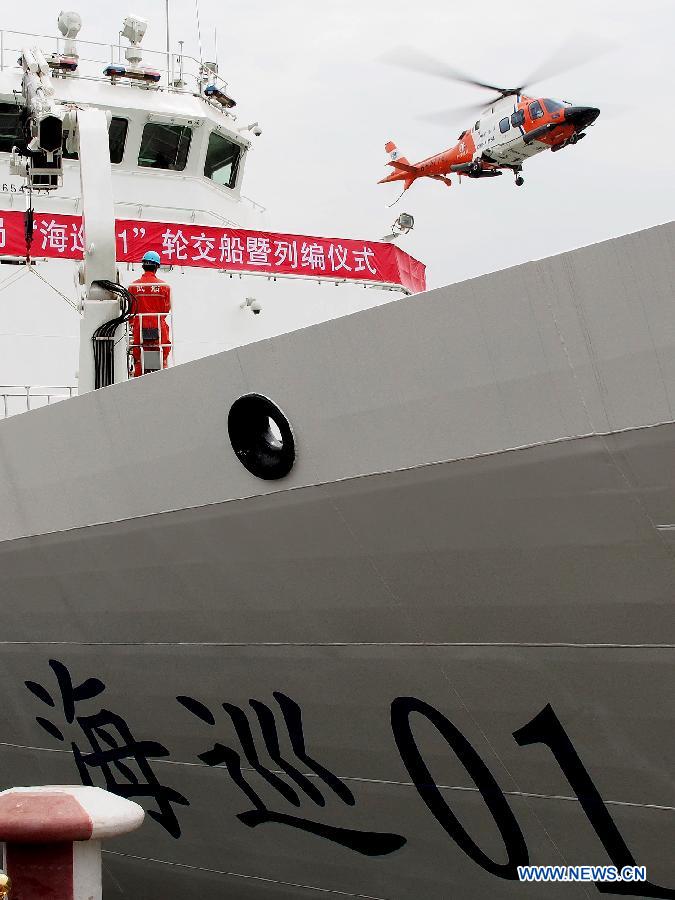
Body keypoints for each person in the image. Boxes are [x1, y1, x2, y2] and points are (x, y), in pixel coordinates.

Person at [127, 250, 172, 377]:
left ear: (143, 265)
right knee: (161, 360)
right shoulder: (165, 287)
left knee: (139, 360)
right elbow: (165, 310)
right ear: (157, 267)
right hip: (159, 328)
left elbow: (130, 311)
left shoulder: (132, 287)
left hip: (138, 328)